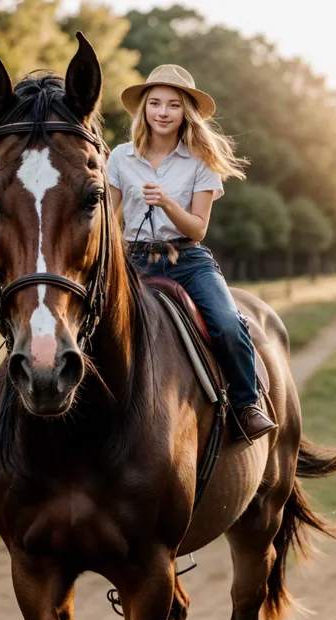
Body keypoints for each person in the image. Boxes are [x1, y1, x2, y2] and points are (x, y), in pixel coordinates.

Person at [106, 64, 277, 441]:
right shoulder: (120, 157)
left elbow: (198, 228)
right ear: (143, 110)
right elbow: (106, 216)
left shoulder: (199, 160)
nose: (162, 112)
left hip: (188, 260)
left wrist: (166, 202)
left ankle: (246, 405)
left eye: (173, 105)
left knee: (229, 324)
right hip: (133, 262)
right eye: (154, 104)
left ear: (186, 112)